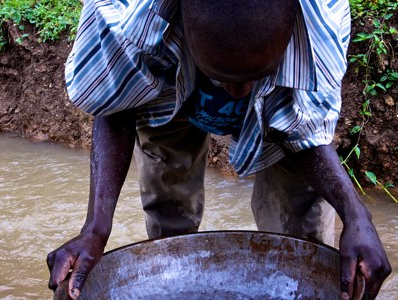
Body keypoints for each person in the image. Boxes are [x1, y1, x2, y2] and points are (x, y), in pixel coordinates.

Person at [47, 0, 392, 299]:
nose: (239, 94)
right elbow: (115, 104)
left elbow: (306, 132)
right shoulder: (123, 18)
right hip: (170, 80)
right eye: (223, 76)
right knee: (169, 207)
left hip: (283, 95)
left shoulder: (322, 25)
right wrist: (95, 229)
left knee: (303, 230)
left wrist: (357, 215)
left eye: (254, 76)